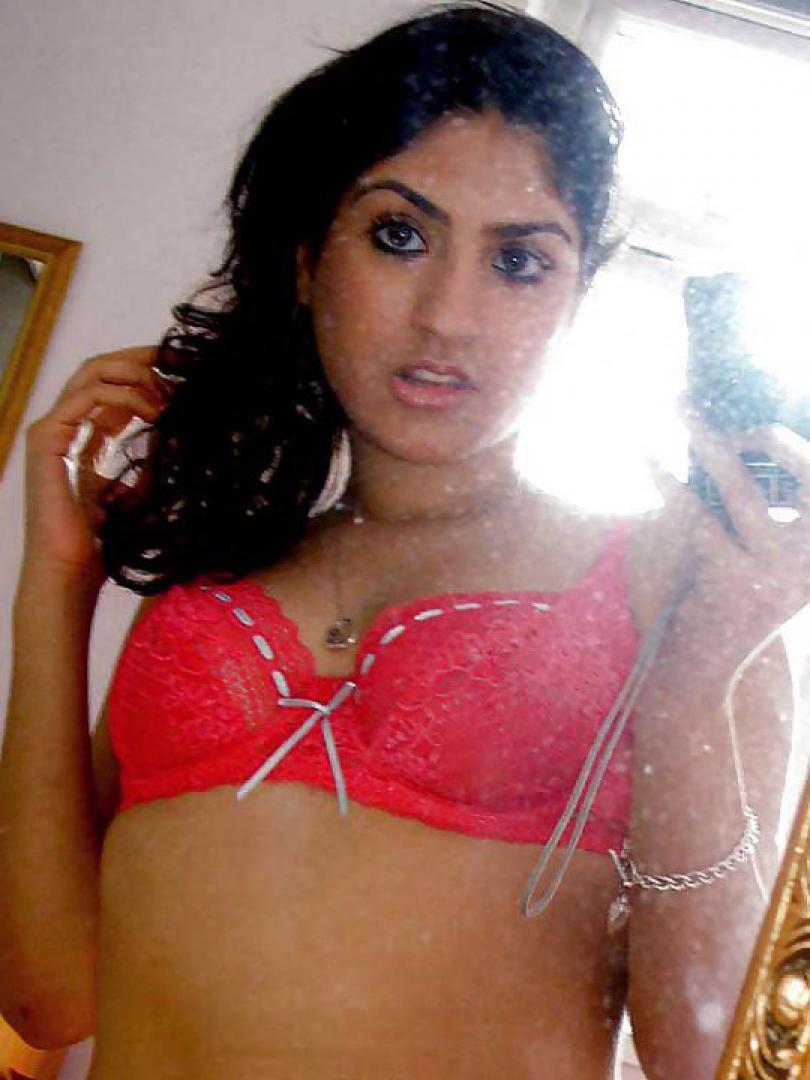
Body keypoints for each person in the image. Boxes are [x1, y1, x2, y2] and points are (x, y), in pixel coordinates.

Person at [1, 3, 808, 1077]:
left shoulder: (680, 590)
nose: (446, 317)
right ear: (306, 260)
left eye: (519, 261)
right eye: (399, 235)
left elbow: (710, 1054)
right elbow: (48, 990)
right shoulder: (218, 575)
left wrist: (696, 681)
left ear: (576, 297)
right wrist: (56, 581)